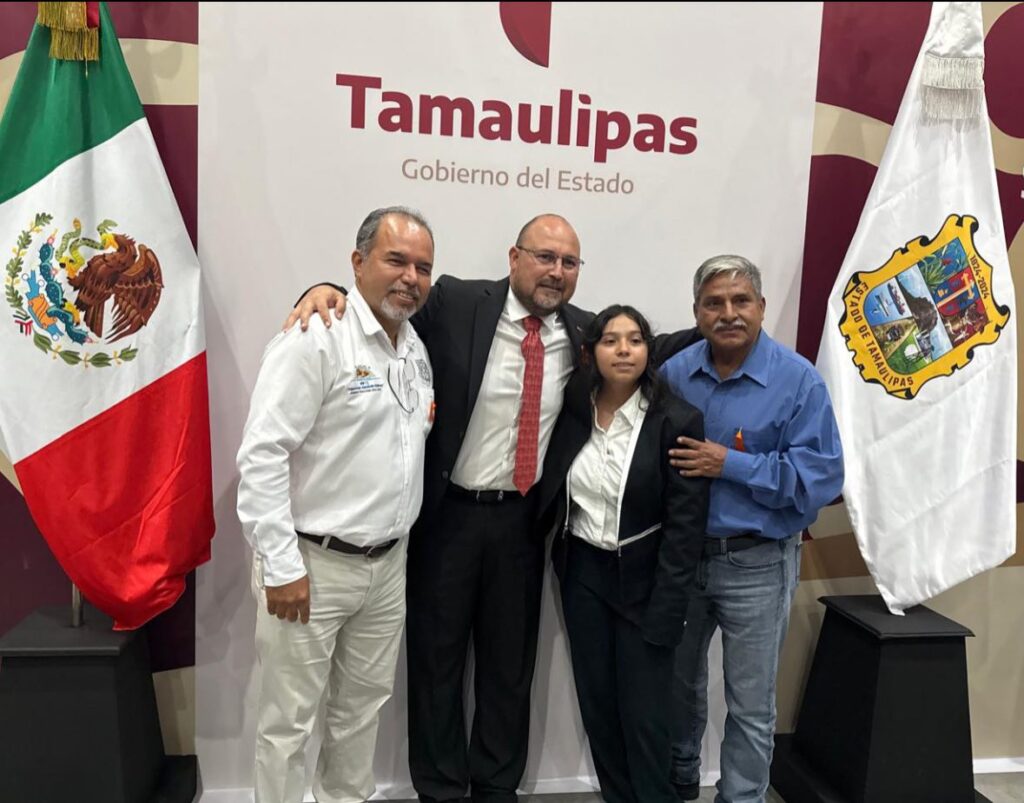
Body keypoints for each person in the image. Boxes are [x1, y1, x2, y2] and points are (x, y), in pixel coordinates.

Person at [286, 214, 700, 802]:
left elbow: (654, 344)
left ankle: (497, 788)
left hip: (524, 524)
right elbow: (383, 306)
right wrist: (321, 290)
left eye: (569, 262)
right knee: (436, 664)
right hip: (446, 517)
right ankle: (441, 789)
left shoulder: (586, 334)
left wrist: (716, 323)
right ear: (513, 257)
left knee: (510, 670)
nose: (556, 272)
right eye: (544, 257)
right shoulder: (455, 300)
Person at [236, 207, 436, 803]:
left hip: (387, 568)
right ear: (357, 262)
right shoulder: (315, 337)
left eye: (423, 267)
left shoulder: (414, 346)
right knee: (288, 723)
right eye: (395, 260)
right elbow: (263, 454)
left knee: (360, 715)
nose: (411, 277)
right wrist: (281, 564)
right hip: (311, 565)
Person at [659, 255, 844, 803]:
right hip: (682, 559)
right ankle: (679, 781)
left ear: (762, 308)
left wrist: (731, 464)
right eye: (714, 303)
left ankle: (740, 798)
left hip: (758, 563)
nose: (729, 313)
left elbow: (820, 480)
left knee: (750, 704)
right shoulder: (673, 374)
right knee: (676, 688)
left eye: (741, 301)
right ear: (696, 312)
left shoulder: (799, 383)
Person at [549, 305, 709, 803]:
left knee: (645, 717)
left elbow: (685, 528)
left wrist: (669, 608)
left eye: (635, 340)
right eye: (611, 340)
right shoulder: (573, 405)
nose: (623, 350)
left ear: (648, 351)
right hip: (583, 577)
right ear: (590, 352)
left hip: (646, 580)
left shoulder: (677, 419)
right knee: (598, 708)